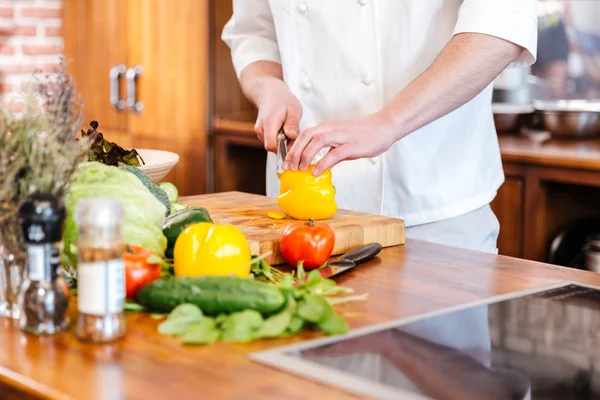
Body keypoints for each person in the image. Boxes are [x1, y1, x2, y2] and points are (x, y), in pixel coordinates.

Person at [222, 1, 538, 254]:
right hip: (300, 227)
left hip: (434, 209)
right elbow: (254, 32)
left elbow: (501, 23)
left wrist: (388, 123)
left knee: (438, 336)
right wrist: (268, 87)